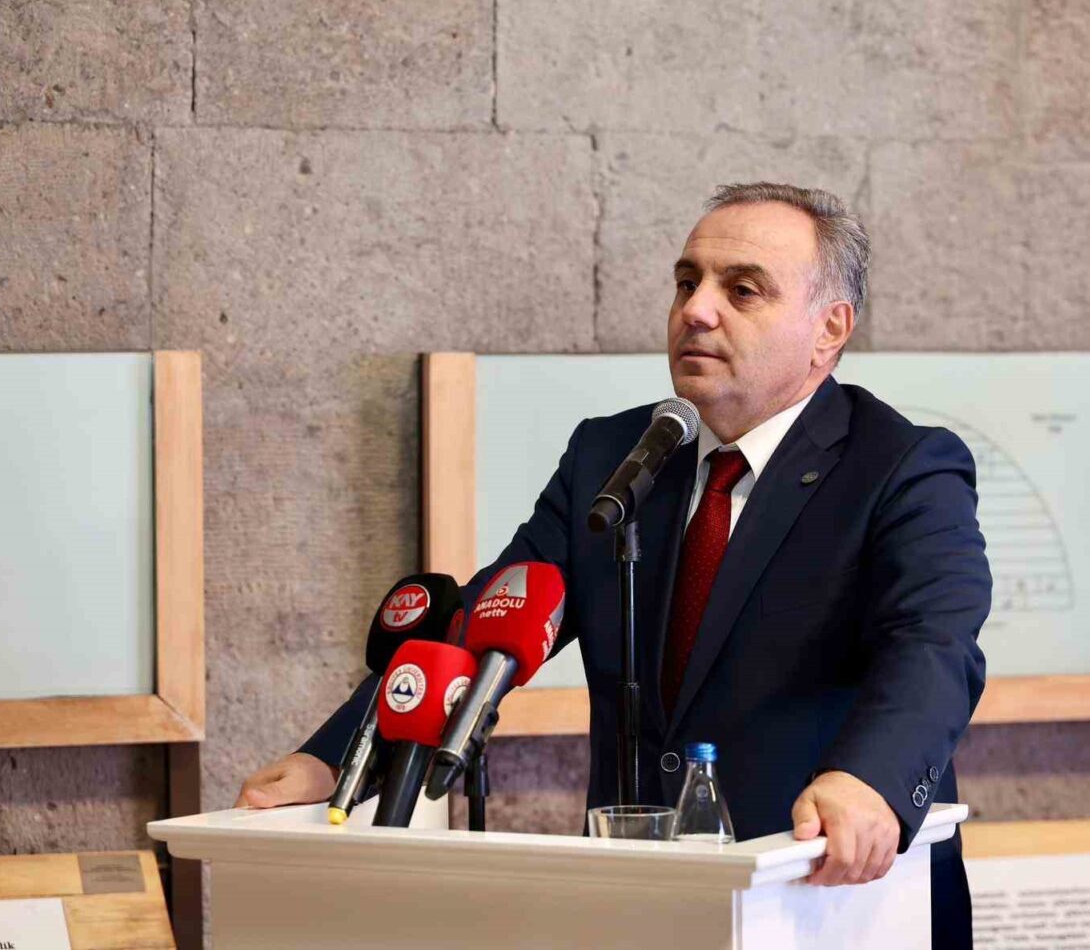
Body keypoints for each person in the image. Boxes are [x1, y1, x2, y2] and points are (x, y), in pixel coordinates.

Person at [237, 182, 991, 948]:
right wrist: (333, 760)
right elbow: (487, 622)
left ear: (829, 329)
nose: (697, 310)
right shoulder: (617, 457)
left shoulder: (900, 467)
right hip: (643, 902)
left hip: (829, 902)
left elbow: (935, 645)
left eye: (742, 290)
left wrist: (870, 780)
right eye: (687, 282)